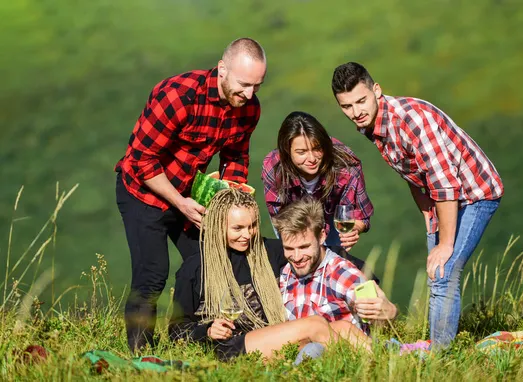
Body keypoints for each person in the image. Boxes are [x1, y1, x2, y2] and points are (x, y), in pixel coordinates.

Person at [331, 62, 504, 346]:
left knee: (444, 270)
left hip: (476, 192)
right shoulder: (373, 124)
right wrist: (428, 218)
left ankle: (441, 358)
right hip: (442, 198)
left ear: (376, 90)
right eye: (346, 106)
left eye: (361, 101)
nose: (356, 112)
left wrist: (445, 243)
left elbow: (445, 183)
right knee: (435, 271)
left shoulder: (412, 121)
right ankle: (440, 347)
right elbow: (413, 174)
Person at [115, 37, 267, 352]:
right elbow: (140, 160)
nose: (249, 94)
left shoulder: (248, 108)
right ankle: (140, 357)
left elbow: (236, 158)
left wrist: (229, 202)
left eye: (257, 85)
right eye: (243, 84)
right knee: (153, 276)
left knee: (210, 263)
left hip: (189, 196)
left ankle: (197, 339)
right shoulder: (179, 97)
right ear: (222, 69)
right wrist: (181, 203)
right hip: (144, 192)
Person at [169, 189, 369, 361]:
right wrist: (208, 330)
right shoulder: (195, 267)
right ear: (218, 226)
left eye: (252, 226)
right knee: (314, 324)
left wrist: (369, 284)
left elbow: (322, 252)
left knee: (344, 328)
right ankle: (353, 366)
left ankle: (383, 362)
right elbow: (175, 330)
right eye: (237, 228)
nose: (247, 235)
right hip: (229, 348)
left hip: (274, 338)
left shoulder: (268, 251)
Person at [273, 197, 397, 333]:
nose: (296, 257)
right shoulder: (285, 273)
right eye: (289, 249)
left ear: (321, 237)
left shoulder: (342, 273)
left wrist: (389, 313)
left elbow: (379, 326)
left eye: (304, 247)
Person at [262, 111, 374, 250]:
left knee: (331, 259)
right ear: (287, 150)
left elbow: (359, 214)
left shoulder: (346, 167)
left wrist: (354, 229)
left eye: (317, 149)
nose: (312, 159)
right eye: (301, 152)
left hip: (332, 214)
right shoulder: (273, 168)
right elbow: (279, 214)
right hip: (291, 216)